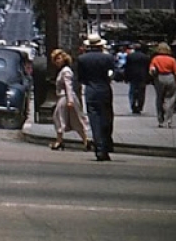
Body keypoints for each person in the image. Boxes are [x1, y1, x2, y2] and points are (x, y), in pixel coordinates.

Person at [76, 33, 115, 162]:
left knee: (94, 119)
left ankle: (99, 147)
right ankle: (106, 144)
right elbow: (114, 73)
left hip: (91, 90)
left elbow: (81, 77)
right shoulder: (108, 58)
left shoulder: (82, 59)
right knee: (107, 118)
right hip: (104, 89)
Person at [49, 49, 91, 151]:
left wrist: (70, 100)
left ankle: (59, 141)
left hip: (65, 98)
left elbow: (68, 86)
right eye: (55, 59)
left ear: (64, 59)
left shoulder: (66, 71)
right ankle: (85, 140)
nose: (57, 61)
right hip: (67, 97)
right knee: (75, 119)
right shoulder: (63, 70)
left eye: (59, 58)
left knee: (59, 118)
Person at [149, 42, 176, 128]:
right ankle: (168, 120)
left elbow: (151, 70)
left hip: (159, 78)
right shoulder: (172, 59)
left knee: (159, 98)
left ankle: (160, 120)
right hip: (170, 77)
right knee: (170, 99)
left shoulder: (156, 58)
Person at [124, 43, 150, 114]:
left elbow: (127, 67)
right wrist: (149, 78)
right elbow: (148, 68)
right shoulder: (146, 57)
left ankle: (133, 105)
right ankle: (140, 106)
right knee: (141, 92)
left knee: (132, 91)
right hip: (142, 76)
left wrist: (126, 77)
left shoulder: (130, 56)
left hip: (133, 76)